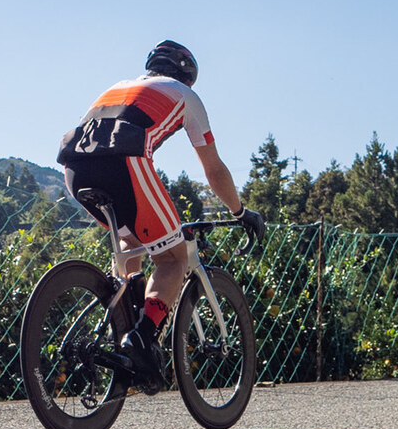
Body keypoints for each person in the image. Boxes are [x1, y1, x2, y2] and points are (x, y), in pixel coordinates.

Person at [57, 40, 265, 392]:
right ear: (188, 75)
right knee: (173, 258)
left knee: (131, 241)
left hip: (75, 168)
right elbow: (213, 169)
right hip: (124, 163)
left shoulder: (117, 87)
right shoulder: (184, 94)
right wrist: (240, 212)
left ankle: (124, 332)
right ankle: (141, 337)